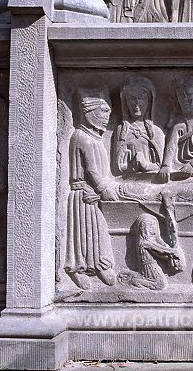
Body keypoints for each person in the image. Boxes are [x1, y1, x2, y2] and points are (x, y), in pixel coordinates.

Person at [64, 90, 119, 290]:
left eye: (109, 113)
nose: (107, 117)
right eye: (103, 111)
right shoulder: (82, 137)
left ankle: (99, 265)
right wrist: (103, 189)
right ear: (90, 112)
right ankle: (78, 269)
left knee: (97, 230)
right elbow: (91, 170)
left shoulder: (94, 138)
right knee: (84, 231)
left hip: (92, 193)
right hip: (83, 194)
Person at [113, 75, 165, 174]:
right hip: (126, 182)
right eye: (132, 99)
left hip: (150, 183)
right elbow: (117, 167)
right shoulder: (121, 130)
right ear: (125, 102)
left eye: (141, 98)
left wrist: (145, 165)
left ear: (149, 102)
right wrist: (131, 165)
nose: (136, 104)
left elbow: (160, 165)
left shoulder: (156, 132)